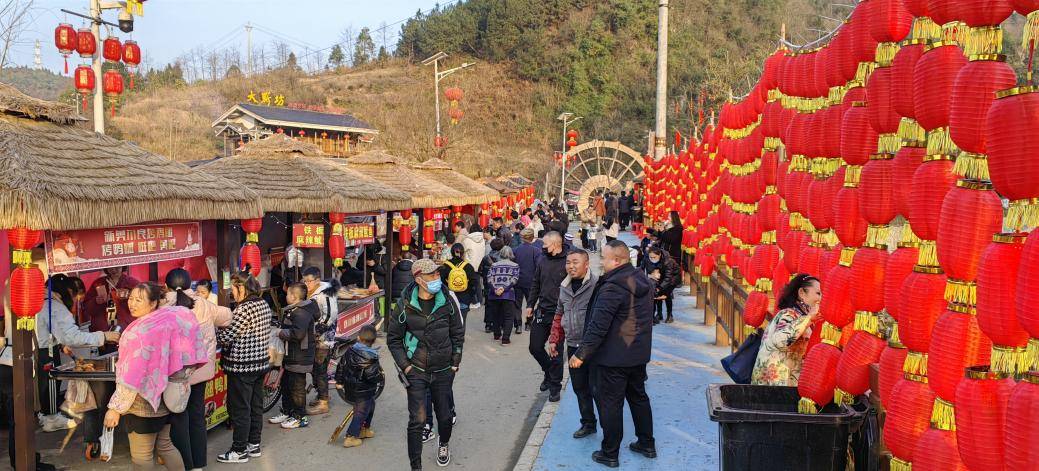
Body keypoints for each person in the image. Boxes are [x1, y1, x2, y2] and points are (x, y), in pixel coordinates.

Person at [104, 282, 208, 471]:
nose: (132, 304)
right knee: (165, 446)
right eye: (131, 299)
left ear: (153, 304)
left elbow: (130, 376)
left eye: (139, 300)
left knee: (142, 456)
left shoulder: (138, 332)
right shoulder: (172, 319)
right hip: (166, 396)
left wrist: (115, 408)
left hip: (141, 402)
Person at [571, 240, 656, 467]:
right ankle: (647, 443)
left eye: (604, 258)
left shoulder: (612, 287)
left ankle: (610, 453)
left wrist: (582, 353)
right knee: (638, 398)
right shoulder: (643, 280)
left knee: (611, 404)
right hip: (637, 354)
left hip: (612, 357)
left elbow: (598, 326)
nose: (601, 262)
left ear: (616, 261)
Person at [387, 258, 466, 470]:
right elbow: (393, 339)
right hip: (417, 371)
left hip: (443, 370)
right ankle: (416, 466)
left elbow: (457, 333)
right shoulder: (405, 304)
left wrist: (455, 362)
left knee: (445, 416)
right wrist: (406, 366)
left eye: (438, 275)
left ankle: (444, 443)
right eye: (432, 275)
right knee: (417, 420)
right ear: (419, 279)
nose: (437, 279)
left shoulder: (447, 300)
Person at [35, 275, 119, 443]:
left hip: (40, 348)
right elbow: (72, 337)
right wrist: (104, 335)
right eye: (73, 294)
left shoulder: (39, 300)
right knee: (49, 382)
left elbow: (47, 329)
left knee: (46, 384)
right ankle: (51, 419)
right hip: (45, 351)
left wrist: (59, 344)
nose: (73, 299)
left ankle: (47, 415)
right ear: (66, 291)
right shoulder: (55, 307)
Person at [164, 269, 232, 470]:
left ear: (166, 286)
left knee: (178, 417)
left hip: (175, 374)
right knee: (196, 415)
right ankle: (199, 465)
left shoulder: (160, 306)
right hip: (200, 371)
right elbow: (227, 317)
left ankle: (185, 464)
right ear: (190, 285)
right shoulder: (202, 303)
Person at [216, 272, 273, 464]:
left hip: (242, 367)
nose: (232, 292)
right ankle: (253, 444)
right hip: (260, 363)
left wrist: (216, 329)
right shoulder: (263, 303)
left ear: (242, 287)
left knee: (240, 409)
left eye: (233, 288)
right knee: (256, 406)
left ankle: (239, 450)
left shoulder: (244, 309)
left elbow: (226, 337)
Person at [547, 249, 599, 439]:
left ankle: (610, 428)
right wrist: (554, 339)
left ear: (587, 264)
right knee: (580, 388)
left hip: (594, 347)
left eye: (575, 262)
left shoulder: (597, 285)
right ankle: (588, 423)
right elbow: (559, 314)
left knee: (599, 389)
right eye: (568, 262)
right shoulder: (564, 287)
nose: (571, 266)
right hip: (573, 345)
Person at [751, 274, 822, 386]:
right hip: (774, 384)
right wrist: (808, 318)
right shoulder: (788, 314)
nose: (821, 298)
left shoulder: (801, 316)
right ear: (802, 293)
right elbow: (780, 341)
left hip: (785, 382)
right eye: (818, 293)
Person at [525, 232, 569, 402]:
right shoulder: (543, 260)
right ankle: (548, 372)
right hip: (542, 311)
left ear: (556, 244)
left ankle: (555, 386)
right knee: (535, 347)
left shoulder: (568, 262)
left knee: (555, 352)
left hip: (559, 314)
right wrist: (530, 304)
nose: (542, 247)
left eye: (546, 244)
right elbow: (535, 283)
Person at [268, 282, 317, 430]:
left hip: (300, 356)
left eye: (288, 294)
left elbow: (298, 334)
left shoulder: (301, 313)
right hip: (291, 354)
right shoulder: (295, 309)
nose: (286, 296)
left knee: (297, 388)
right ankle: (287, 411)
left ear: (294, 297)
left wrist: (280, 332)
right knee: (287, 385)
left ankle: (300, 417)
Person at [340, 324, 384, 448]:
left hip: (351, 388)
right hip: (363, 391)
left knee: (370, 406)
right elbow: (372, 376)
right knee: (360, 412)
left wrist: (339, 382)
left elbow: (341, 366)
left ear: (359, 337)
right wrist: (380, 377)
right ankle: (351, 436)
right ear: (374, 341)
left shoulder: (350, 351)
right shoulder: (372, 357)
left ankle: (364, 429)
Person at [302, 266, 338, 416]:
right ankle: (321, 395)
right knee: (315, 368)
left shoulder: (325, 294)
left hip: (324, 338)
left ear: (317, 280)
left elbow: (330, 316)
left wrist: (317, 332)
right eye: (304, 281)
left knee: (320, 368)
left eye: (309, 281)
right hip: (314, 335)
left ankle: (323, 402)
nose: (306, 284)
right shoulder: (313, 291)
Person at [84, 266, 140, 332]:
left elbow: (142, 302)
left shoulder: (132, 283)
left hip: (126, 328)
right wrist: (95, 301)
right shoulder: (98, 283)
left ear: (123, 266)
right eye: (110, 268)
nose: (113, 270)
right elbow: (86, 307)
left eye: (117, 267)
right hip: (102, 329)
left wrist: (129, 296)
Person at [486, 246, 520, 345]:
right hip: (508, 295)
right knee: (509, 317)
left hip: (494, 294)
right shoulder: (515, 266)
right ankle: (505, 339)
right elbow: (515, 280)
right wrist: (504, 289)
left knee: (495, 315)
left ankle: (497, 335)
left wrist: (495, 289)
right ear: (511, 255)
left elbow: (489, 279)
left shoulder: (494, 265)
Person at [440, 243, 479, 320]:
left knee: (450, 323)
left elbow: (440, 282)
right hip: (464, 298)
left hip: (449, 298)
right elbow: (474, 283)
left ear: (451, 253)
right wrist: (470, 296)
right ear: (463, 253)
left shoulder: (445, 266)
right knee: (462, 323)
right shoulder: (468, 266)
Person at [643, 247, 680, 324]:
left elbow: (668, 278)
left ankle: (670, 315)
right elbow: (642, 269)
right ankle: (659, 314)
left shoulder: (668, 261)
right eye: (651, 257)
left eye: (654, 257)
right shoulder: (647, 258)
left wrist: (659, 288)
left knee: (666, 293)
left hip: (672, 277)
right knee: (655, 293)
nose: (652, 258)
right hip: (658, 275)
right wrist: (649, 275)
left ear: (659, 255)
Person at [514, 228, 540, 334]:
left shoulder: (515, 250)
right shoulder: (536, 251)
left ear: (522, 237)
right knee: (530, 303)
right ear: (532, 238)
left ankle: (518, 325)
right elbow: (538, 266)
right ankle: (528, 323)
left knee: (517, 304)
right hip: (531, 281)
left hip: (517, 280)